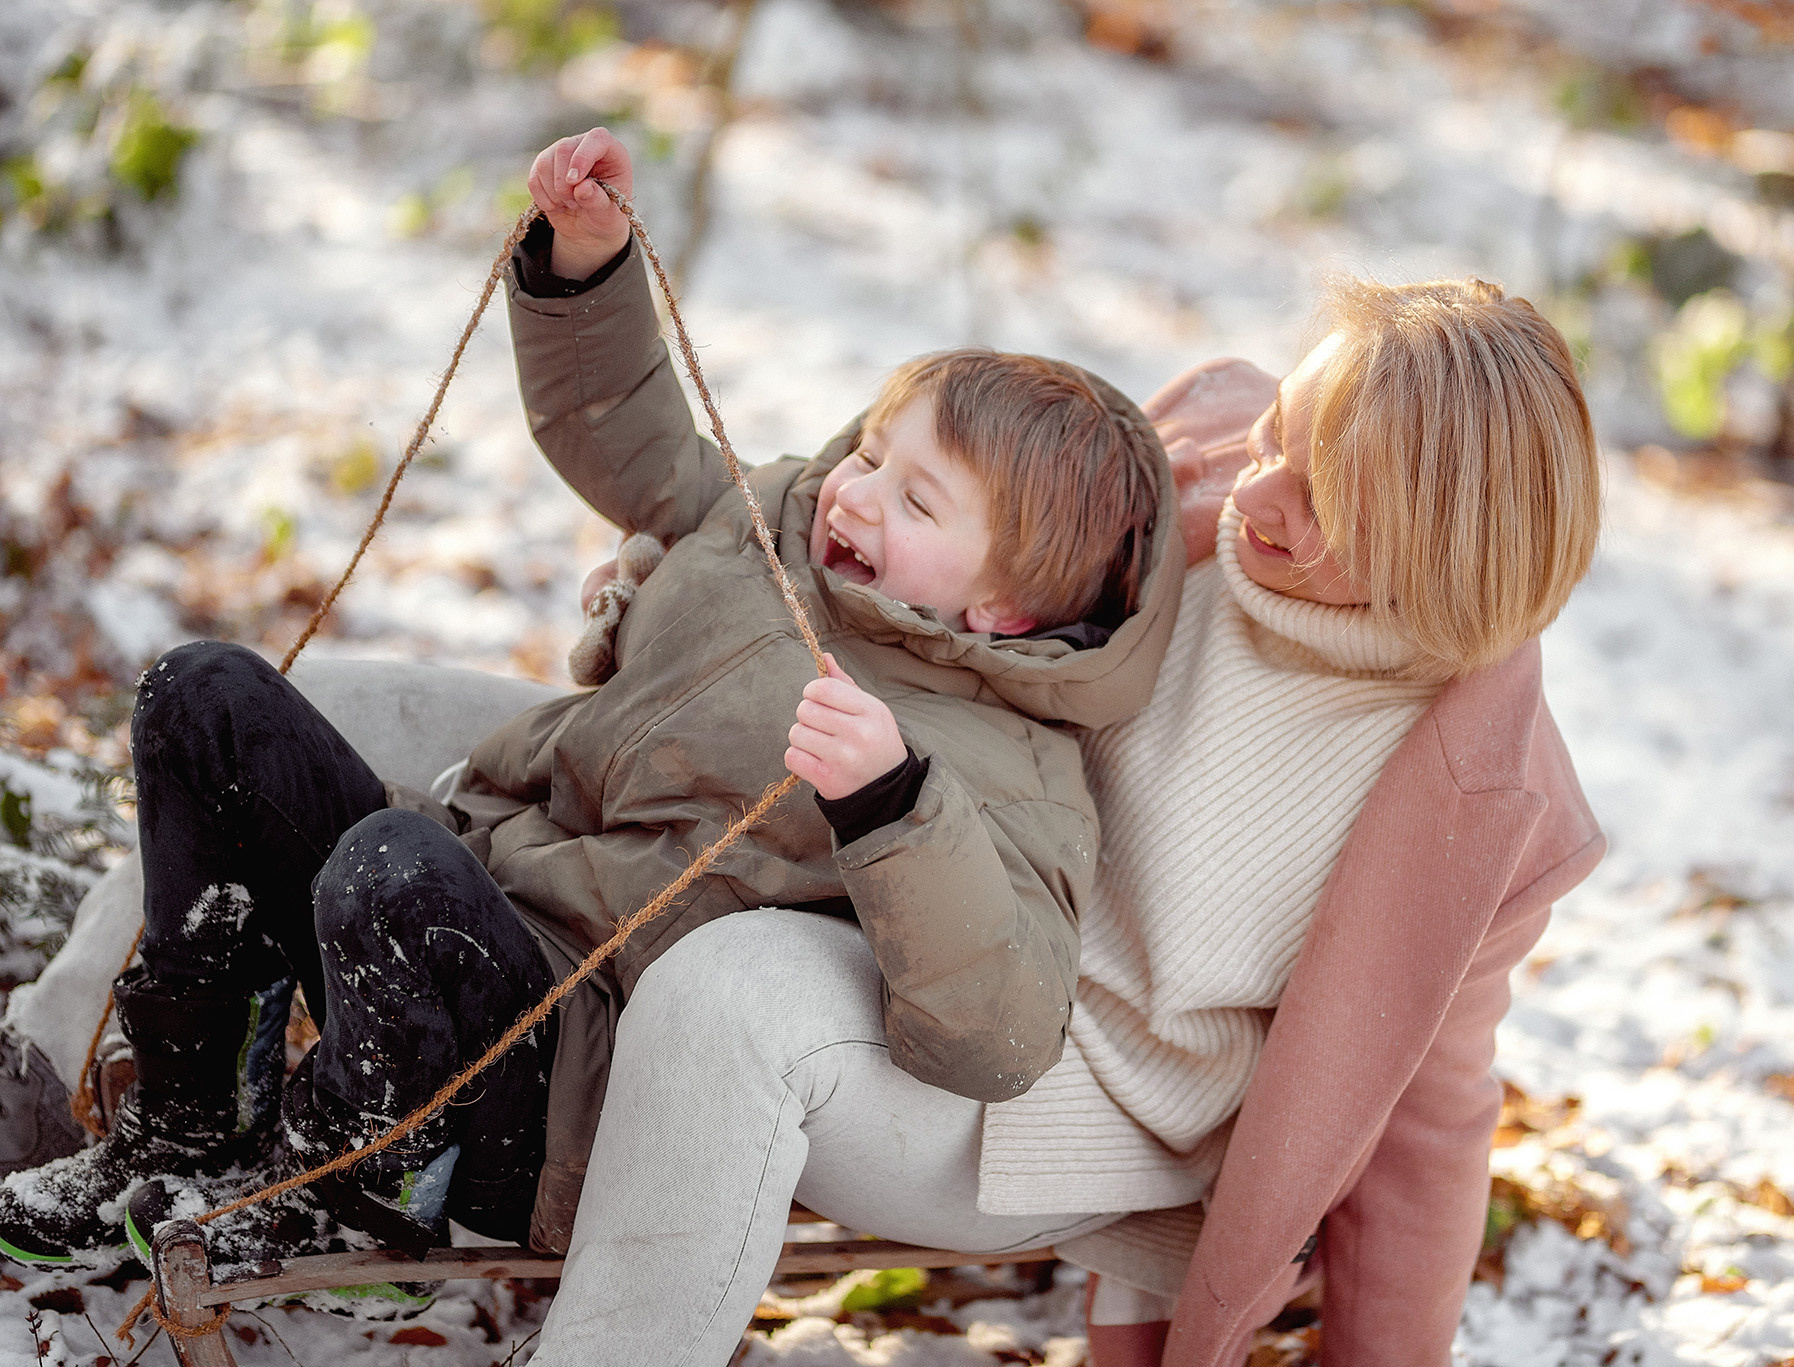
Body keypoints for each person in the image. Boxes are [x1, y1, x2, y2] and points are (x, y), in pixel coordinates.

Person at [0, 127, 1180, 1269]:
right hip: (443, 916)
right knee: (205, 695)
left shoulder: (996, 757)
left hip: (550, 1073)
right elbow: (634, 440)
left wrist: (895, 805)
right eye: (870, 452)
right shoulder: (769, 522)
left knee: (390, 865)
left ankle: (342, 1186)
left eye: (917, 504)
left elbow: (1000, 1027)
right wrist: (586, 260)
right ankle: (184, 1125)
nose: (857, 496)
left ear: (1007, 613)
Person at [517, 269, 1605, 1363]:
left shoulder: (1481, 797)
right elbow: (944, 534)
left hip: (1038, 1093)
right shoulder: (1197, 472)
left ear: (1450, 550)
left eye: (1328, 504)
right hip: (872, 886)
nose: (1258, 494)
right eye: (1279, 438)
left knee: (728, 992)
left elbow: (1421, 1127)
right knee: (461, 736)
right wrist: (697, 599)